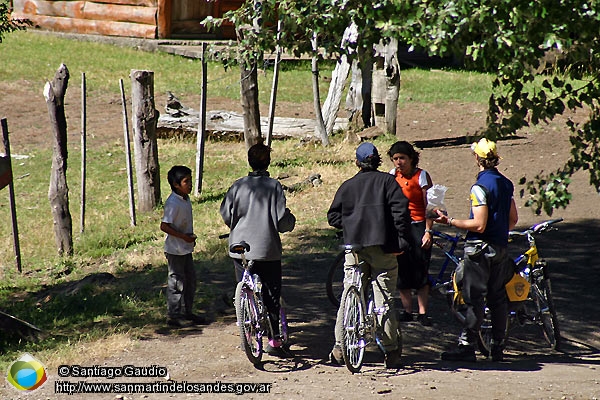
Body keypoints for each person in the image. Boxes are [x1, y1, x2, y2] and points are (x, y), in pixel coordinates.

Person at [327, 142, 411, 369]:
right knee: (383, 297)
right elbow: (401, 212)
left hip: (354, 248)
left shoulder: (348, 186)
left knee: (349, 291)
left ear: (357, 162)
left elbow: (333, 217)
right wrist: (402, 240)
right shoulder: (388, 182)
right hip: (384, 248)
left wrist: (351, 224)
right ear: (377, 161)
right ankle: (391, 351)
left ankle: (338, 346)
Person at [434, 138, 518, 362]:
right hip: (500, 247)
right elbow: (513, 219)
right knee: (498, 298)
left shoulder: (480, 187)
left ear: (477, 158)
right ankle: (498, 347)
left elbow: (479, 224)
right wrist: (498, 231)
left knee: (474, 299)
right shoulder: (506, 183)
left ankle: (467, 347)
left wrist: (449, 221)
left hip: (479, 250)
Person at [220, 143, 296, 358]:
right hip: (266, 248)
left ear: (249, 162)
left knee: (244, 285)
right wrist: (290, 222)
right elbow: (281, 220)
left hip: (239, 246)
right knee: (272, 294)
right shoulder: (274, 186)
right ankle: (274, 340)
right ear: (268, 162)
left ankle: (245, 320)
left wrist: (236, 225)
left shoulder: (237, 186)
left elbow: (225, 213)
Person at [387, 141, 434, 326]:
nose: (399, 162)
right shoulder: (392, 176)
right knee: (402, 268)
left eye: (402, 158)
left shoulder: (422, 176)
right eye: (395, 158)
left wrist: (428, 231)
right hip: (400, 226)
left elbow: (430, 206)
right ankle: (407, 311)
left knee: (421, 268)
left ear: (411, 158)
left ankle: (423, 313)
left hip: (419, 226)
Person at [160, 165, 205, 327]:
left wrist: (188, 238)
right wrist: (183, 237)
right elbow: (164, 226)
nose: (190, 184)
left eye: (190, 180)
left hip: (185, 248)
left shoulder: (185, 199)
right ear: (176, 184)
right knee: (176, 282)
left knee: (190, 281)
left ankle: (188, 312)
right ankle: (173, 315)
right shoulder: (173, 203)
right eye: (186, 181)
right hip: (175, 250)